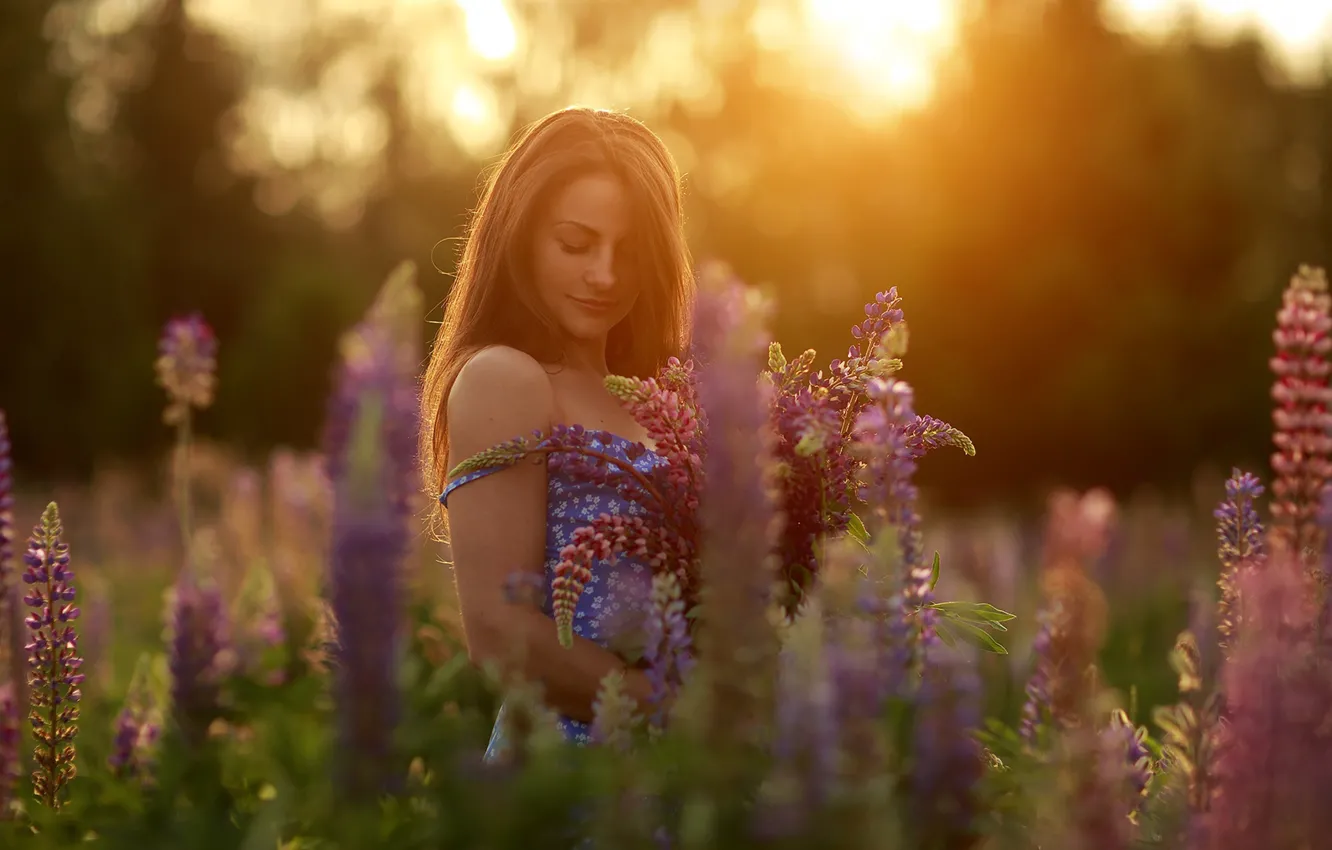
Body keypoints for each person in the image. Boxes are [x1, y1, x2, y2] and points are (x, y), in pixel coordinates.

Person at [419, 106, 695, 760]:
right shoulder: (505, 380)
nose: (604, 274)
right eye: (576, 243)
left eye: (629, 252)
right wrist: (674, 712)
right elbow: (498, 636)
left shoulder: (664, 400)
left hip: (680, 787)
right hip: (561, 779)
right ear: (520, 237)